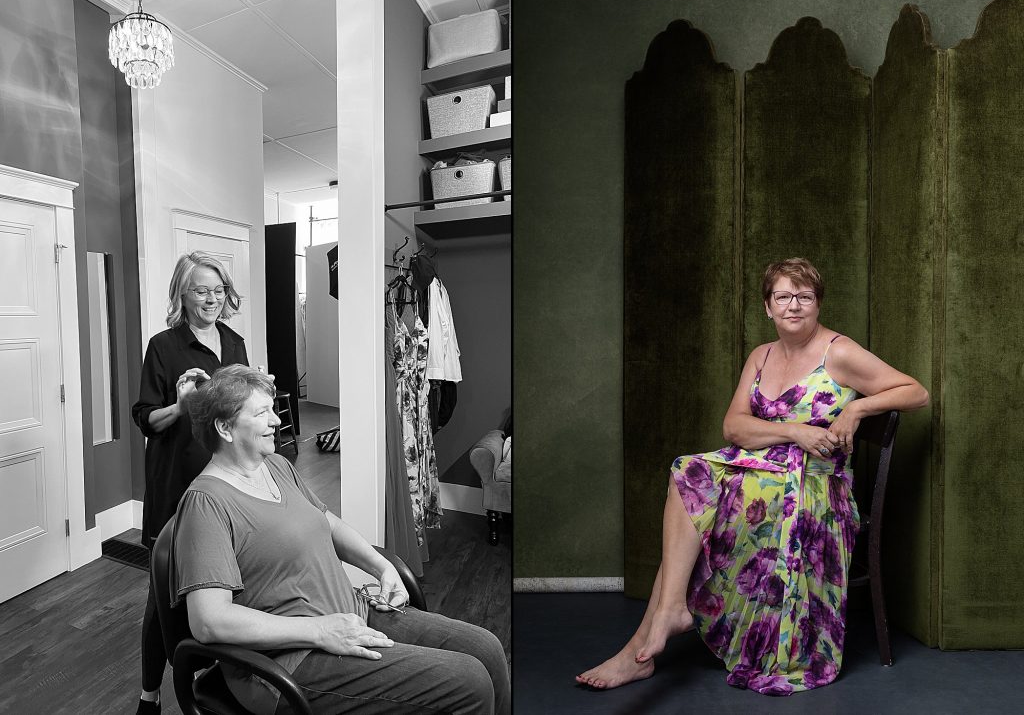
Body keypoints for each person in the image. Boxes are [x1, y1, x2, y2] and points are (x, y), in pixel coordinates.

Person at [577, 257, 929, 695]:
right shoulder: (760, 356)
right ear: (768, 306)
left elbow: (916, 392)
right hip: (757, 475)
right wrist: (794, 432)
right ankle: (664, 618)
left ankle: (646, 641)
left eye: (804, 297)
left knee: (697, 496)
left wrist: (856, 408)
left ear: (818, 305)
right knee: (690, 474)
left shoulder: (838, 352)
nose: (794, 305)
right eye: (783, 296)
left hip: (815, 487)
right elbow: (734, 428)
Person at [171, 364, 511, 714]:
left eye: (273, 409)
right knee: (468, 682)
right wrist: (319, 631)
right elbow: (208, 621)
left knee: (486, 648)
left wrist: (382, 567)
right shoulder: (206, 504)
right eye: (263, 413)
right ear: (224, 427)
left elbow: (327, 523)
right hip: (289, 661)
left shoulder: (275, 467)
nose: (277, 420)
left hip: (349, 614)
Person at [131, 252, 250, 714]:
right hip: (175, 485)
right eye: (202, 290)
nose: (212, 299)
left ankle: (214, 681)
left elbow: (238, 411)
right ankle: (150, 693)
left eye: (218, 290)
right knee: (161, 599)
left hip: (224, 485)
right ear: (184, 293)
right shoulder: (163, 346)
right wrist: (182, 406)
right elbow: (146, 419)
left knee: (222, 588)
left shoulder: (235, 343)